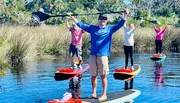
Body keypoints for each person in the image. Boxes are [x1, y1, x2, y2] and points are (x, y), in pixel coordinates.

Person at [67, 9, 129, 101]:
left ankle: (104, 94)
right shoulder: (92, 28)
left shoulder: (110, 29)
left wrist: (125, 14)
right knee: (93, 75)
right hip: (93, 55)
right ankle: (94, 93)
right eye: (101, 19)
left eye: (104, 20)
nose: (103, 21)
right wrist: (71, 17)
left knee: (103, 75)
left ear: (106, 21)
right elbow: (81, 24)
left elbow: (120, 24)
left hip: (103, 56)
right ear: (98, 20)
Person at [123, 20, 143, 90]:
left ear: (132, 27)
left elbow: (137, 26)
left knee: (131, 57)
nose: (130, 26)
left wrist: (140, 21)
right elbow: (124, 23)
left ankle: (132, 66)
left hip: (131, 46)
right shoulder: (125, 29)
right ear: (128, 26)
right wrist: (124, 17)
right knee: (126, 57)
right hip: (125, 45)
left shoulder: (133, 31)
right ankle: (126, 67)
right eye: (130, 25)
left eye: (131, 26)